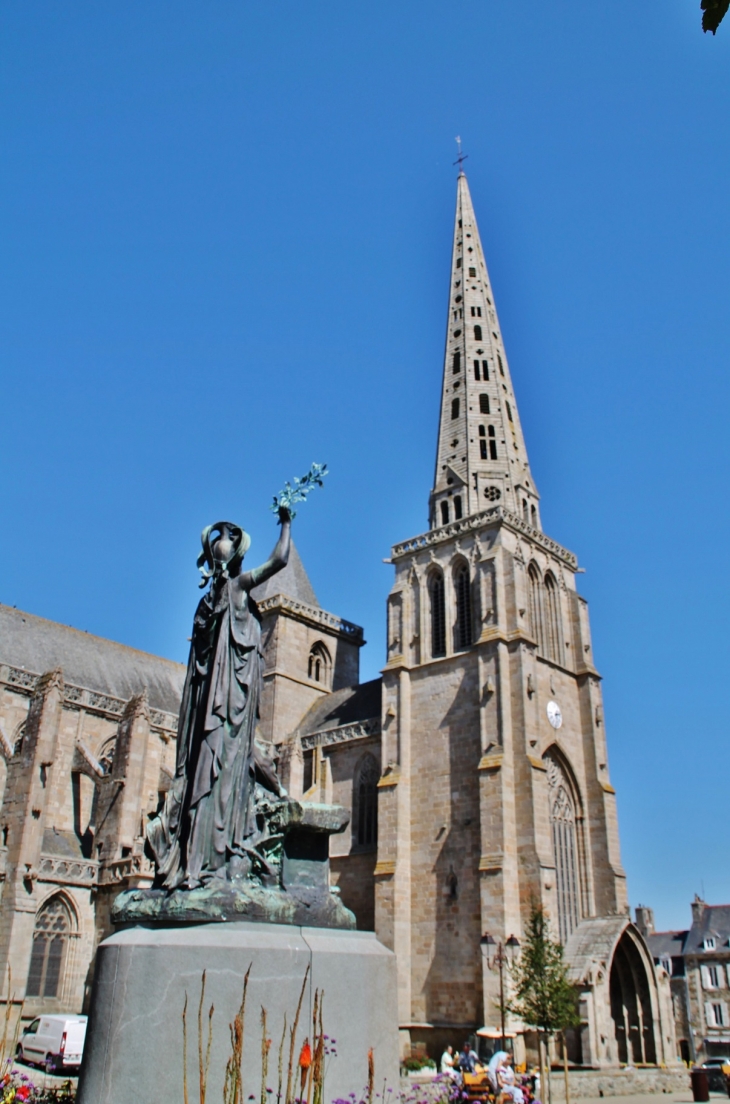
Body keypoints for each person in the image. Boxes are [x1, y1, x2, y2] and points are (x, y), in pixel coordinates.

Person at [147, 508, 291, 889]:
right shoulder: (238, 588)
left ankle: (203, 859)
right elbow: (279, 559)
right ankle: (214, 859)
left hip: (214, 708)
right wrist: (287, 522)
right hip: (227, 707)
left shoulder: (208, 601)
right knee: (222, 779)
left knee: (210, 778)